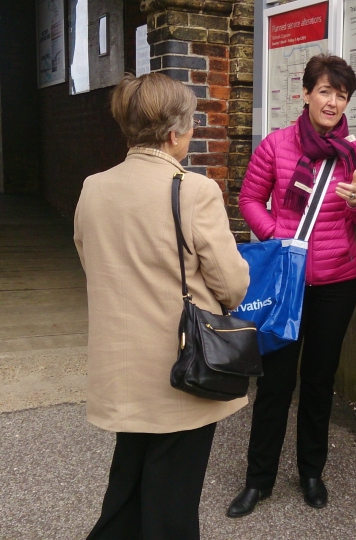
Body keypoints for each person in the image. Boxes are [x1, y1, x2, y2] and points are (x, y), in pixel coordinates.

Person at [74, 72, 250, 540]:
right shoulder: (193, 190)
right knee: (172, 503)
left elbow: (93, 263)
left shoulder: (93, 187)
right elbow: (232, 284)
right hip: (181, 369)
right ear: (174, 133)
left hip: (122, 369)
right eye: (191, 124)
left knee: (128, 489)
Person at [228, 54, 356, 517]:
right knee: (275, 382)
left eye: (341, 95)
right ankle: (258, 480)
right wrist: (278, 237)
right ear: (307, 94)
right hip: (285, 283)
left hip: (336, 283)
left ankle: (311, 473)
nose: (333, 102)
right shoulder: (276, 145)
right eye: (325, 91)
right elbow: (249, 199)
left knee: (319, 381)